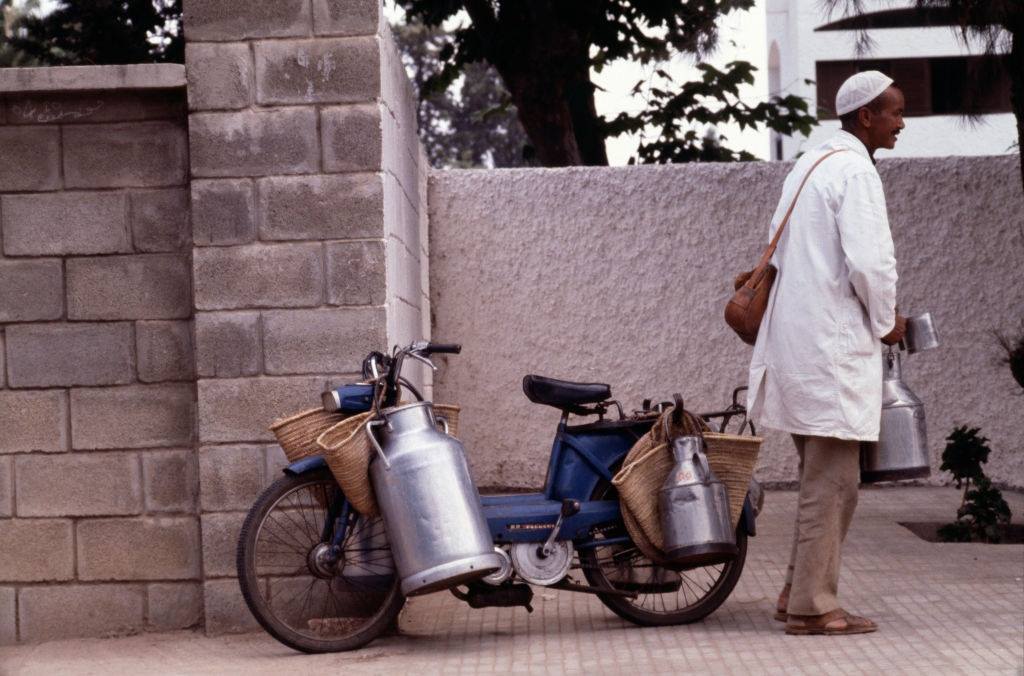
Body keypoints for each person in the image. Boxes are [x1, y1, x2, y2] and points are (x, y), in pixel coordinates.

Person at [746, 70, 908, 636]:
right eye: (893, 113)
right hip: (829, 354)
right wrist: (889, 322)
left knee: (821, 481)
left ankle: (796, 591)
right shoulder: (855, 172)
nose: (901, 123)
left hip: (795, 351)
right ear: (866, 116)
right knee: (834, 485)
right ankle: (814, 609)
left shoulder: (808, 167)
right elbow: (871, 263)